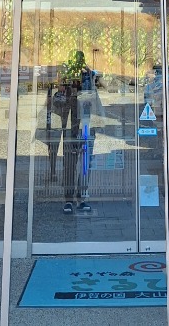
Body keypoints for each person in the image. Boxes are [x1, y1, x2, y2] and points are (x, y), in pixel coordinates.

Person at [51, 50, 100, 215]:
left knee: (85, 164)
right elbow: (57, 104)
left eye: (80, 63)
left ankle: (82, 197)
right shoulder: (66, 79)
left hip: (86, 126)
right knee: (70, 163)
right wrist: (62, 88)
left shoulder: (88, 78)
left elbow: (95, 102)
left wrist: (91, 80)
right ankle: (68, 199)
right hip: (70, 128)